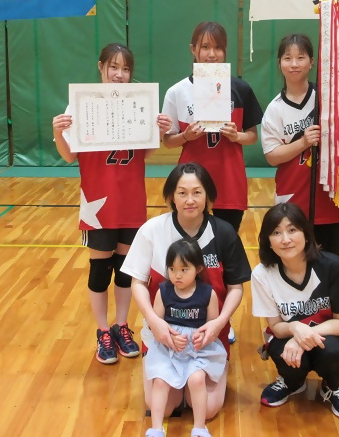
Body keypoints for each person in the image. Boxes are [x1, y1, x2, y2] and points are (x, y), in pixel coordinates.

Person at [52, 43, 172, 365]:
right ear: (101, 66)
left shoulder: (140, 103)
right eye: (114, 67)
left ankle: (121, 325)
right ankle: (102, 330)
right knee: (99, 269)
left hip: (131, 198)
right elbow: (68, 156)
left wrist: (159, 133)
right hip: (98, 202)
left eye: (126, 69)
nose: (120, 75)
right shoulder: (80, 104)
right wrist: (58, 131)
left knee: (126, 270)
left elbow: (146, 153)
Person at [122, 162, 251, 420]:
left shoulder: (224, 233)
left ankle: (208, 366)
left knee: (207, 408)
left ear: (208, 196)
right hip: (163, 336)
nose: (189, 200)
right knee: (163, 407)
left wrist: (218, 325)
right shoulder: (152, 230)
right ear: (171, 196)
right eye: (182, 193)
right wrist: (155, 323)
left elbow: (236, 287)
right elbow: (137, 282)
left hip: (207, 337)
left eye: (197, 192)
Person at [251, 203, 339, 420]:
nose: (285, 239)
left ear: (306, 233)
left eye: (292, 230)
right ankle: (292, 382)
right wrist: (295, 328)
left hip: (329, 335)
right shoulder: (262, 274)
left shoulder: (332, 266)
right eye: (276, 233)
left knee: (332, 352)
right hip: (286, 335)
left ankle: (332, 385)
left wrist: (303, 337)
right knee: (283, 353)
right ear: (268, 241)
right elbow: (275, 326)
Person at [162, 21, 263, 236]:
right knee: (191, 246)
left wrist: (237, 136)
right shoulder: (177, 92)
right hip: (191, 181)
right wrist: (185, 136)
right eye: (205, 47)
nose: (212, 54)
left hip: (229, 178)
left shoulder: (240, 88)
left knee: (226, 244)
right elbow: (168, 141)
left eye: (218, 48)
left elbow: (253, 136)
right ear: (193, 49)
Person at [260, 33, 339, 260]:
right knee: (295, 267)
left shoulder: (328, 100)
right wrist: (303, 142)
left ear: (311, 62)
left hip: (330, 202)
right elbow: (272, 156)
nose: (294, 64)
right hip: (292, 202)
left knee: (332, 268)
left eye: (301, 57)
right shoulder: (275, 109)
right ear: (279, 64)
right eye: (287, 58)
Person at [144, 239, 227, 437]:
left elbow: (211, 327)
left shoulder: (208, 293)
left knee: (197, 379)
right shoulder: (163, 291)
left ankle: (199, 427)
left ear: (198, 268)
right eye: (172, 269)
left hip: (196, 350)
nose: (177, 275)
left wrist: (201, 339)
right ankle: (156, 428)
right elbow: (155, 324)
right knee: (161, 381)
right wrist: (168, 338)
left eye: (184, 269)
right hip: (168, 347)